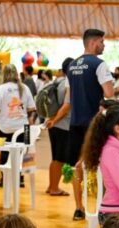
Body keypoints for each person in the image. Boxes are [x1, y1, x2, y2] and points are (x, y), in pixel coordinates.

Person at [66, 28, 115, 221]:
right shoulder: (99, 64)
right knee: (103, 165)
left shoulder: (71, 66)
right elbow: (109, 94)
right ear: (94, 42)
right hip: (94, 125)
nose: (104, 45)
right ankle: (103, 207)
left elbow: (68, 99)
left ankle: (79, 208)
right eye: (102, 42)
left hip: (75, 123)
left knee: (77, 167)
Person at [0, 64, 36, 172]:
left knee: (6, 151)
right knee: (23, 151)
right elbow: (31, 108)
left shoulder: (1, 89)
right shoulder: (25, 88)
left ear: (4, 75)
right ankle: (20, 178)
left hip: (6, 127)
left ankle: (5, 178)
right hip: (24, 129)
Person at [44, 57, 75, 196]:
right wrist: (55, 120)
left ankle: (52, 186)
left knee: (56, 157)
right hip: (62, 124)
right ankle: (54, 188)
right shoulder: (70, 84)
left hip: (54, 124)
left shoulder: (58, 82)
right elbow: (66, 107)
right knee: (60, 158)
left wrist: (52, 120)